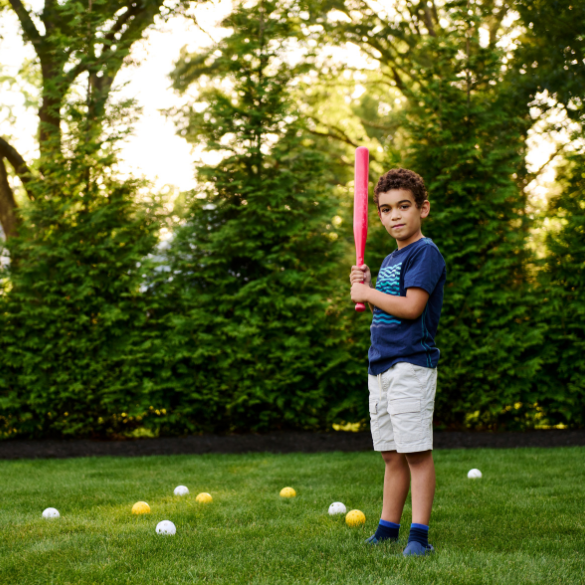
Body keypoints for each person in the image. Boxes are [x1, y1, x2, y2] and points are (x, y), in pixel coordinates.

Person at [349, 168, 447, 557]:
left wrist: (367, 292)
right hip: (382, 366)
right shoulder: (392, 256)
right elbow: (387, 301)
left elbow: (410, 307)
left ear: (422, 208)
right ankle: (388, 528)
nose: (394, 216)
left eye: (404, 206)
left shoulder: (426, 252)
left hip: (411, 364)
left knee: (416, 453)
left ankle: (419, 536)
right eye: (385, 209)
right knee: (392, 454)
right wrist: (371, 281)